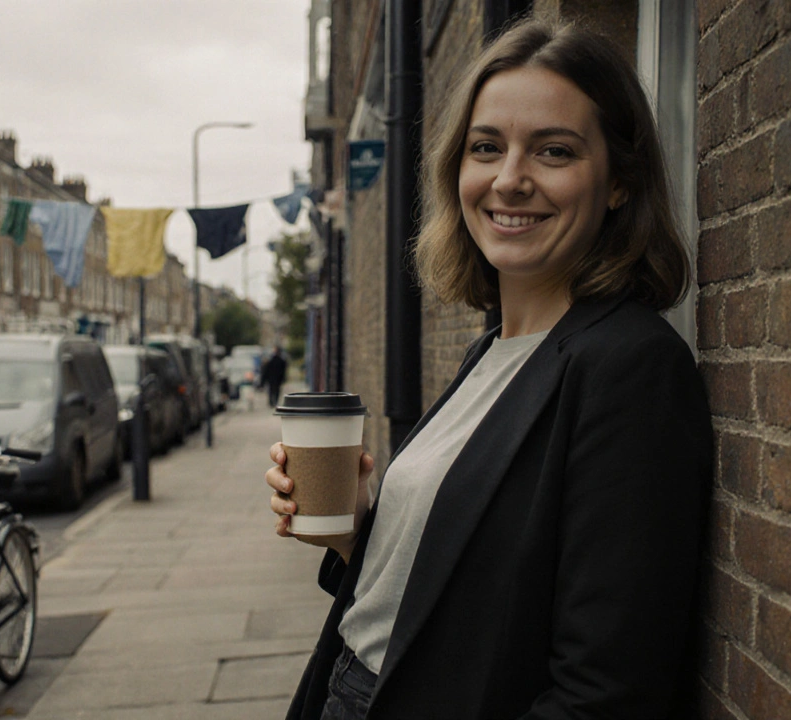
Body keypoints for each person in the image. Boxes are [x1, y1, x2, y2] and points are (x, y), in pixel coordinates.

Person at [265, 18, 712, 720]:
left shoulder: (631, 367)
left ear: (620, 182)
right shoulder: (492, 350)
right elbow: (468, 593)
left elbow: (607, 692)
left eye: (554, 151)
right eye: (485, 148)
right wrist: (354, 531)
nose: (509, 180)